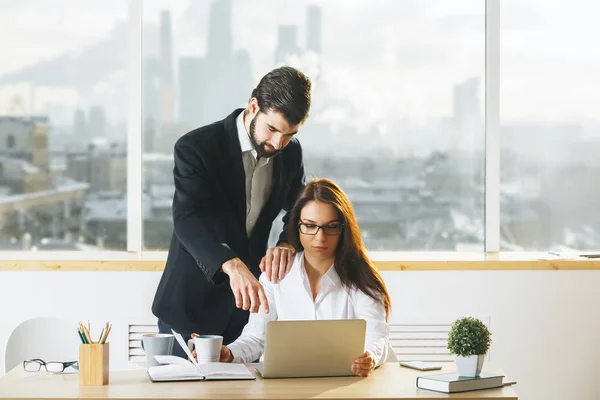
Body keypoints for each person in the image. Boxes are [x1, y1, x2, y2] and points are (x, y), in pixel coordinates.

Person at [151, 66, 312, 358]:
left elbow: (300, 210)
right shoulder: (197, 147)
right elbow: (188, 220)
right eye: (272, 129)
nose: (278, 144)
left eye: (289, 134)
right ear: (254, 106)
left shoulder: (291, 152)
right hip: (189, 307)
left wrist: (287, 243)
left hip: (245, 312)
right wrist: (231, 264)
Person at [214, 178, 392, 377]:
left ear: (344, 229)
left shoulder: (361, 278)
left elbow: (377, 338)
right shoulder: (276, 276)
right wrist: (229, 353)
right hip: (286, 387)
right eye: (310, 225)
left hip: (345, 386)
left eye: (330, 227)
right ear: (297, 226)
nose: (320, 237)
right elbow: (256, 338)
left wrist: (370, 357)